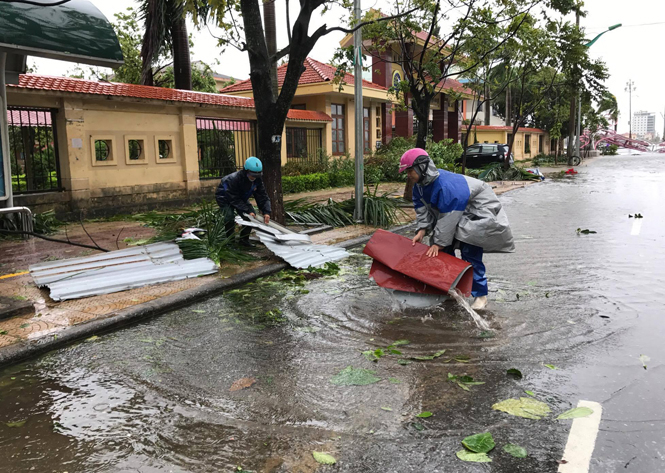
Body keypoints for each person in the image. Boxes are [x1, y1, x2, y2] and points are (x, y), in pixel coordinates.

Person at [399, 148, 515, 310]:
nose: (409, 175)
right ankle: (452, 290)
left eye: (410, 170)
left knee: (469, 249)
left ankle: (481, 296)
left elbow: (449, 217)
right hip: (456, 212)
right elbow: (422, 208)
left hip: (477, 211)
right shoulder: (419, 187)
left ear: (422, 167)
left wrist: (438, 242)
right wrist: (422, 230)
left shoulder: (446, 186)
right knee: (443, 252)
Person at [215, 156, 271, 247]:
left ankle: (244, 240)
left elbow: (262, 196)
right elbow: (233, 198)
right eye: (252, 175)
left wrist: (266, 211)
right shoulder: (234, 179)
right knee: (229, 217)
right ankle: (230, 242)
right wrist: (246, 210)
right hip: (225, 197)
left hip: (240, 197)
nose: (254, 178)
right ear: (246, 171)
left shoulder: (257, 180)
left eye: (256, 176)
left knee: (250, 217)